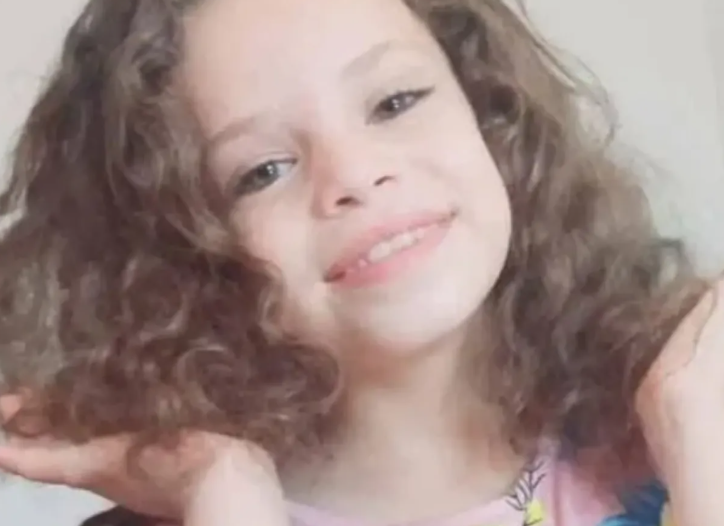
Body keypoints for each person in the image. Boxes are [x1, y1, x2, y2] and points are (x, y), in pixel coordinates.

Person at [0, 0, 721, 525]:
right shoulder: (207, 509)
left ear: (490, 115)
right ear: (186, 261)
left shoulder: (683, 425)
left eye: (395, 102)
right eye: (263, 170)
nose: (355, 174)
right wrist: (228, 494)